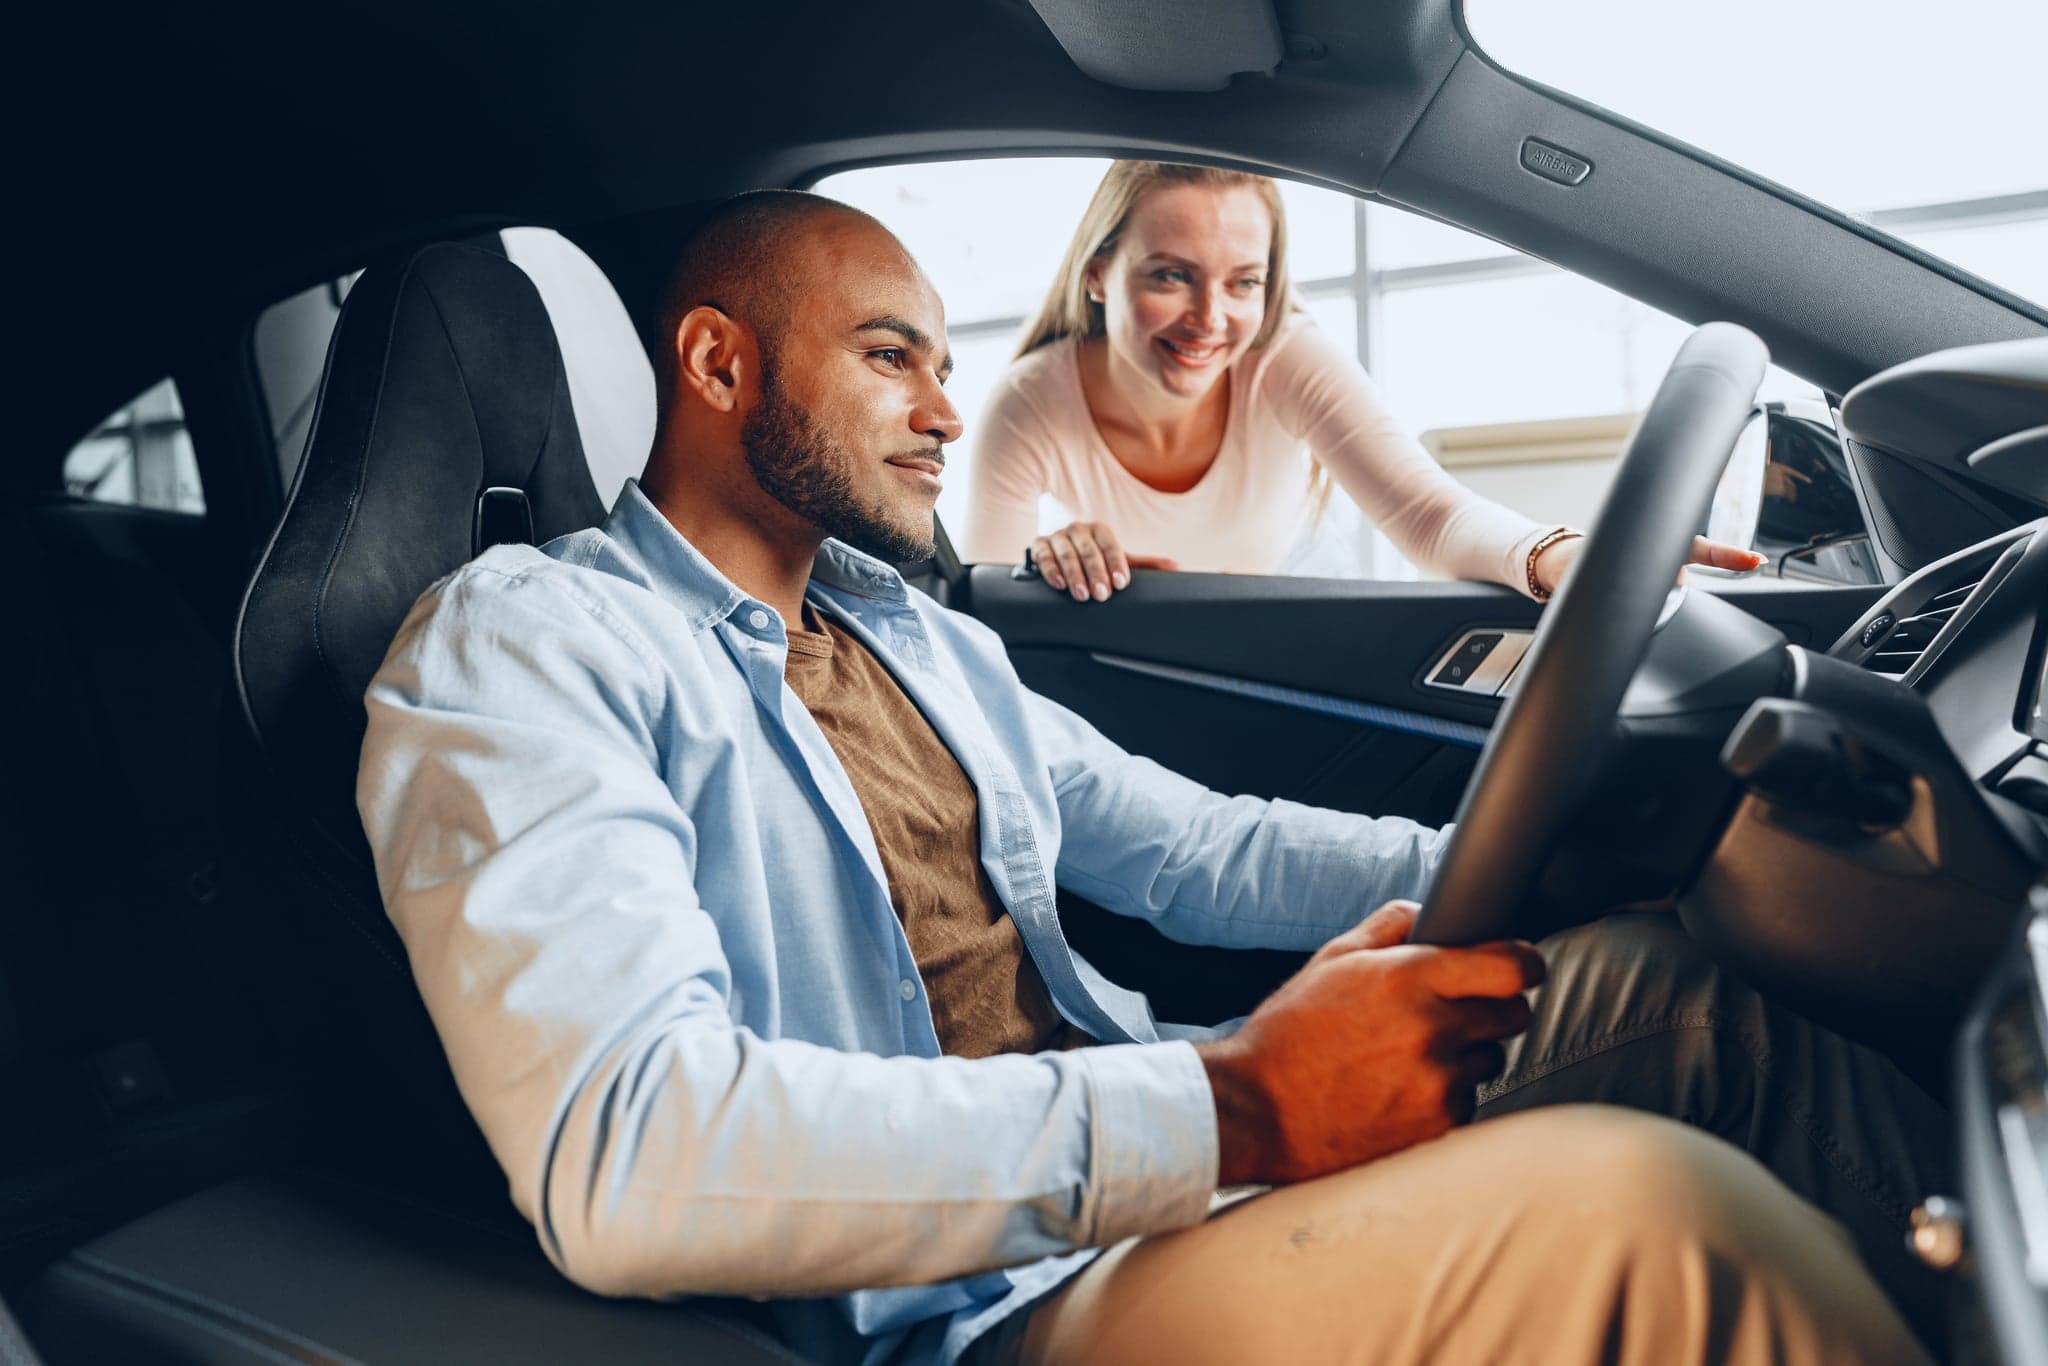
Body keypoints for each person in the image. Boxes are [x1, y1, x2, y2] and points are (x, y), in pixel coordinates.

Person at [357, 190, 1946, 1366]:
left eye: (943, 363)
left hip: (1146, 1171)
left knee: (1682, 987)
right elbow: (631, 1150)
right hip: (979, 1311)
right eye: (891, 358)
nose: (944, 409)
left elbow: (1200, 851)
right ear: (718, 363)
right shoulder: (528, 643)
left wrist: (1550, 864)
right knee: (1658, 1224)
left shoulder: (906, 633)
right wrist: (1235, 1101)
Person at [961, 161, 1762, 602]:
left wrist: (1552, 554)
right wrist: (1043, 560)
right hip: (1140, 636)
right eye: (1171, 275)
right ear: (1099, 275)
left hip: (1288, 586)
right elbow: (977, 607)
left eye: (1244, 282)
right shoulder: (1030, 401)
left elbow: (1427, 514)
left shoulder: (1283, 354)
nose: (1211, 319)